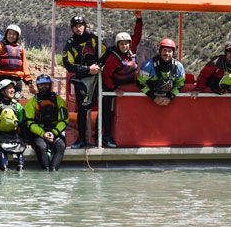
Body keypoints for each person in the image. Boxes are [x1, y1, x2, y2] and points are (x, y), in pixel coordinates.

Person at [97, 13, 143, 147]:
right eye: (122, 44)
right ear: (118, 45)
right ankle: (106, 137)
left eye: (127, 44)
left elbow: (137, 36)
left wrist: (139, 19)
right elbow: (106, 76)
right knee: (107, 113)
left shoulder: (131, 50)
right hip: (111, 87)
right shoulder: (113, 58)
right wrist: (114, 89)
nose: (125, 46)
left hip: (128, 85)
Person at [62, 14, 105, 149]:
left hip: (97, 76)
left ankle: (100, 137)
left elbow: (104, 53)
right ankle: (81, 139)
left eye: (80, 26)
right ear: (72, 29)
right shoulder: (70, 44)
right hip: (82, 79)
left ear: (84, 26)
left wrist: (97, 66)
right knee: (82, 108)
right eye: (75, 27)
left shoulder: (93, 39)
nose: (79, 29)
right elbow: (68, 64)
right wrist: (87, 69)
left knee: (102, 106)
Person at [25, 74, 69, 171]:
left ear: (50, 85)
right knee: (40, 146)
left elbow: (64, 120)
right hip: (39, 132)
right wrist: (43, 133)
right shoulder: (32, 102)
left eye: (46, 85)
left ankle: (53, 170)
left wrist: (54, 132)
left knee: (61, 145)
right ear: (37, 86)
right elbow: (30, 122)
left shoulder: (58, 100)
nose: (44, 87)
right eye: (41, 85)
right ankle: (46, 170)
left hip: (55, 131)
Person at [0, 24, 36, 96]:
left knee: (14, 104)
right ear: (6, 34)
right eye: (9, 33)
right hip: (2, 78)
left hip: (17, 80)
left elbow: (24, 67)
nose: (11, 36)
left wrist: (29, 82)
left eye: (14, 34)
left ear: (17, 36)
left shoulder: (20, 49)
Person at [137, 38, 185, 105]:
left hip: (168, 103)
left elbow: (180, 84)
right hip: (149, 101)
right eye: (164, 50)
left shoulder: (178, 67)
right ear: (160, 51)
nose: (167, 53)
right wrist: (153, 98)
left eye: (169, 51)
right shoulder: (148, 65)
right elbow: (140, 83)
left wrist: (170, 98)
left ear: (173, 53)